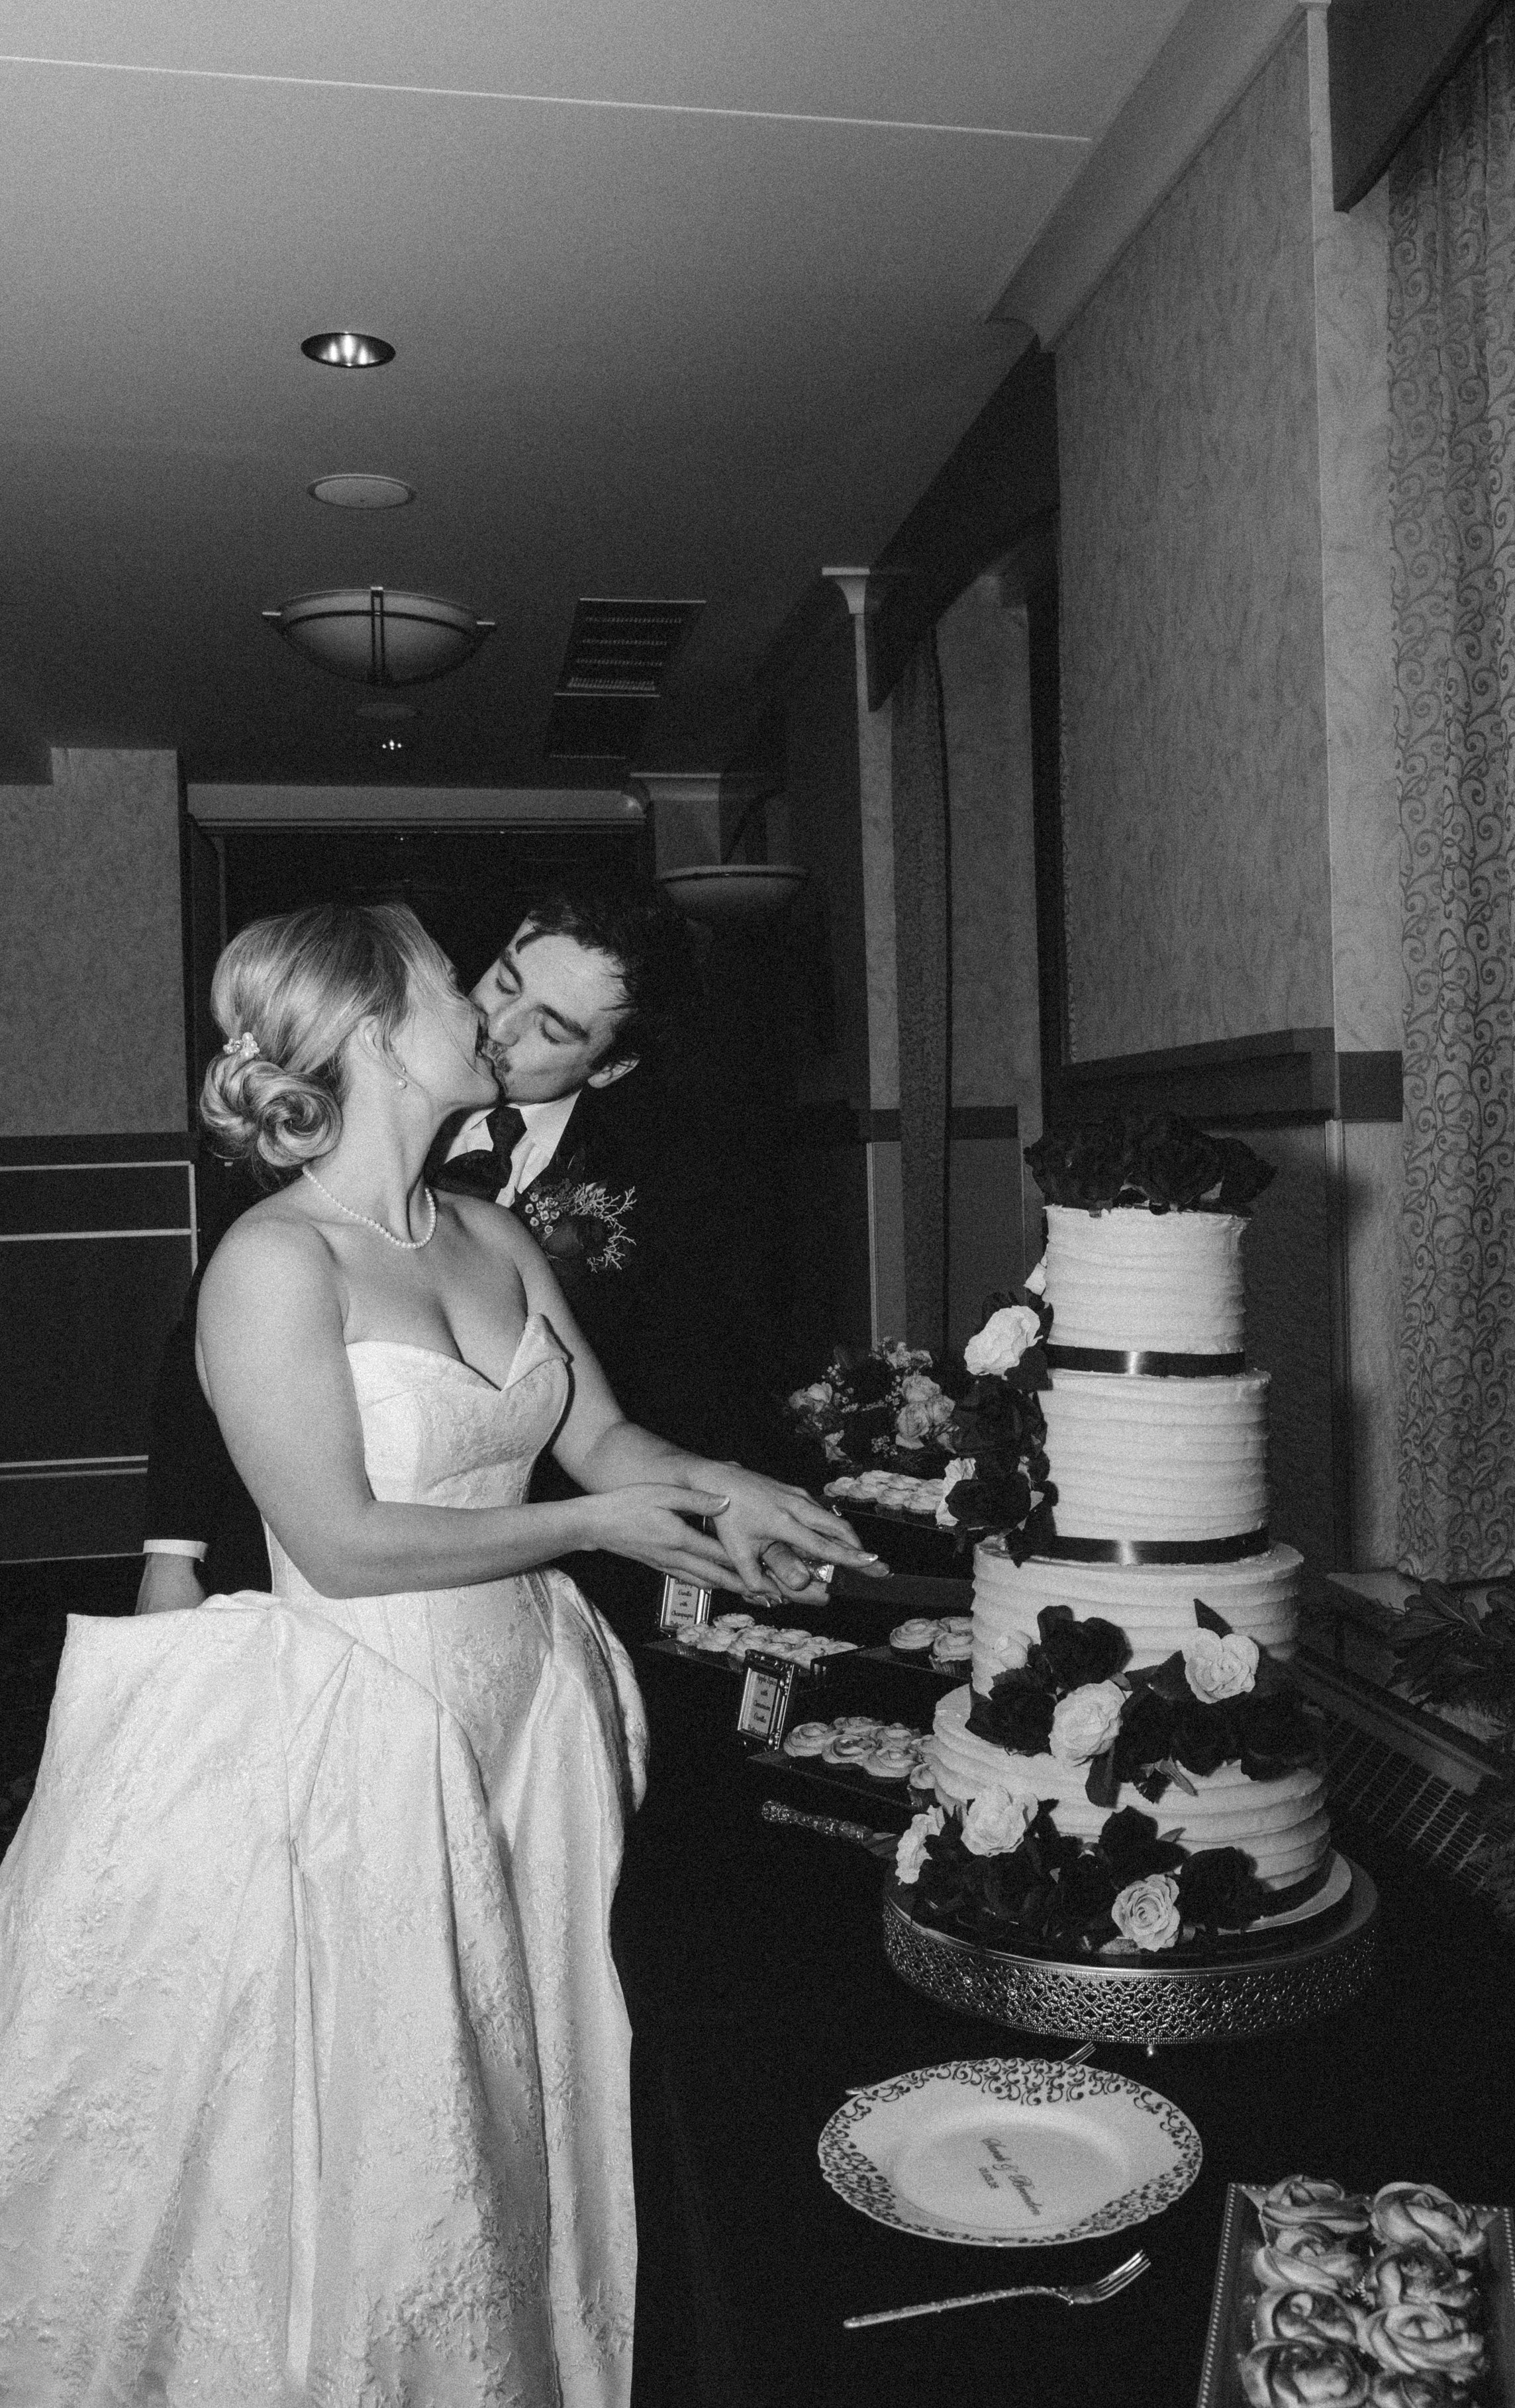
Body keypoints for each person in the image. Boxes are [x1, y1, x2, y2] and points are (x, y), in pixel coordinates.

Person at [0, 901, 871, 2407]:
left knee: (513, 2088)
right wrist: (599, 1522)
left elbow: (599, 1431)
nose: (481, 1002)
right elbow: (337, 1540)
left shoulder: (493, 1231)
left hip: (530, 1719)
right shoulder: (276, 1265)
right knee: (391, 2121)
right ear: (376, 1038)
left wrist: (741, 1493)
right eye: (448, 985)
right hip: (368, 1734)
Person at [137, 882, 771, 1616]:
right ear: (378, 1038)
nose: (493, 1023)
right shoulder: (284, 1211)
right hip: (330, 1607)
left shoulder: (590, 1205)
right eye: (494, 982)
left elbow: (630, 1418)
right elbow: (203, 1361)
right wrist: (173, 1554)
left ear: (609, 1067)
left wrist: (726, 1496)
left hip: (540, 1601)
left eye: (553, 1029)